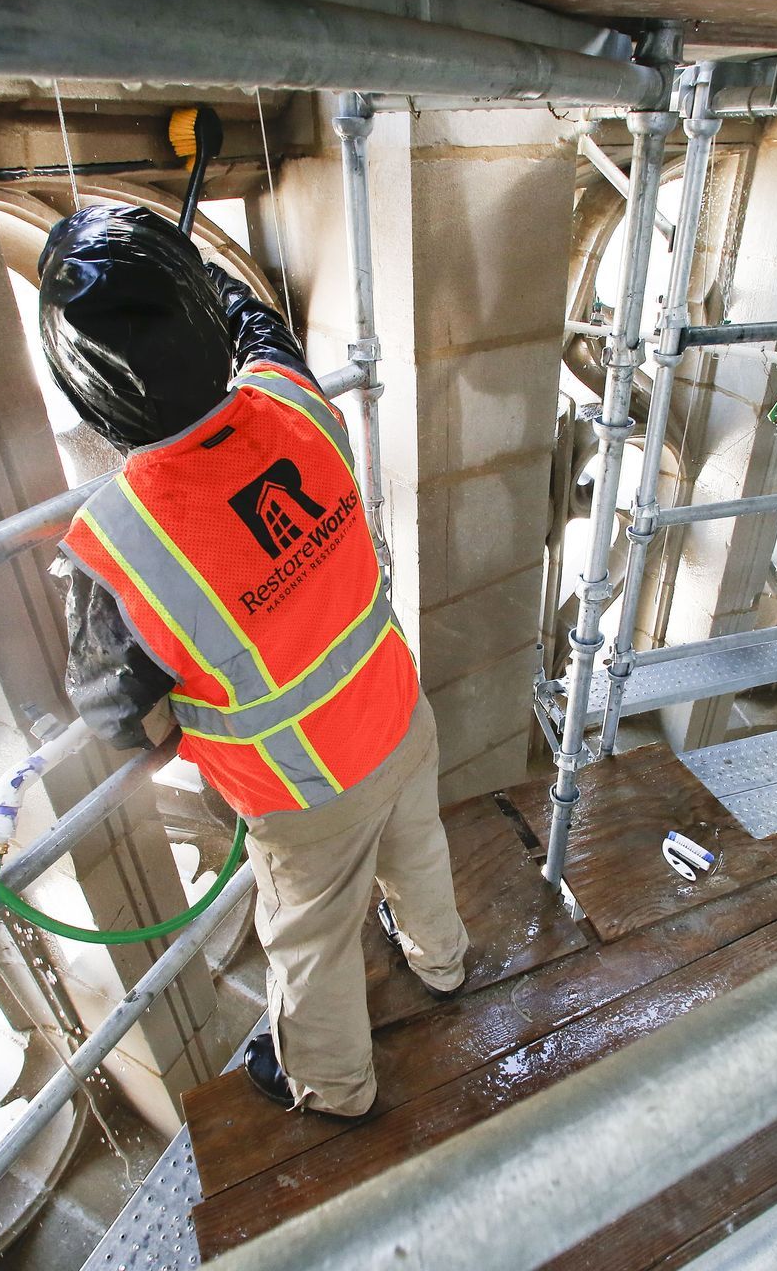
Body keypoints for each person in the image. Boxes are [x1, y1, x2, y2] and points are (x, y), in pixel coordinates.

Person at [38, 204, 469, 1118]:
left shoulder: (118, 540)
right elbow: (259, 325)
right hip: (396, 707)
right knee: (419, 849)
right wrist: (201, 273)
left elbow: (113, 711)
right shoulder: (291, 400)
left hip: (301, 786)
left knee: (312, 942)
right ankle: (443, 964)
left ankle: (335, 1086)